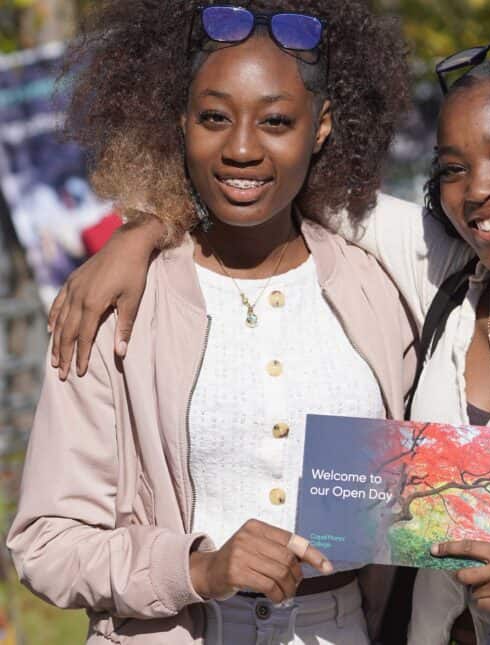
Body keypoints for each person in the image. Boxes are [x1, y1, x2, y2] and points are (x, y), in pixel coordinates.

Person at [44, 36, 490, 644]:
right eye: (453, 168)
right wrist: (140, 232)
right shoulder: (441, 283)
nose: (480, 189)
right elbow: (267, 177)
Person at [7, 2, 417, 644]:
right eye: (214, 118)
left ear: (322, 127)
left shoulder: (381, 287)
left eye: (277, 120)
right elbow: (46, 543)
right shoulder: (116, 304)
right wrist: (198, 568)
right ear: (181, 124)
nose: (243, 147)